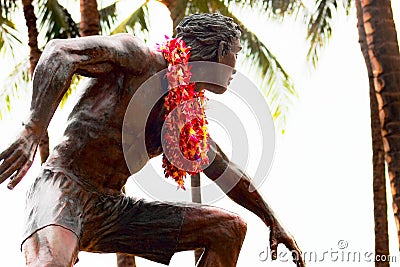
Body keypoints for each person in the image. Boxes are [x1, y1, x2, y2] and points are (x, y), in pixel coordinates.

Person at [0, 13, 304, 267]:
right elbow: (59, 53)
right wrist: (33, 128)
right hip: (64, 187)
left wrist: (271, 219)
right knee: (49, 263)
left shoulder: (184, 119)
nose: (236, 66)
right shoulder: (139, 59)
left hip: (112, 209)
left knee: (227, 229)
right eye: (236, 53)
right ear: (219, 49)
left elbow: (224, 168)